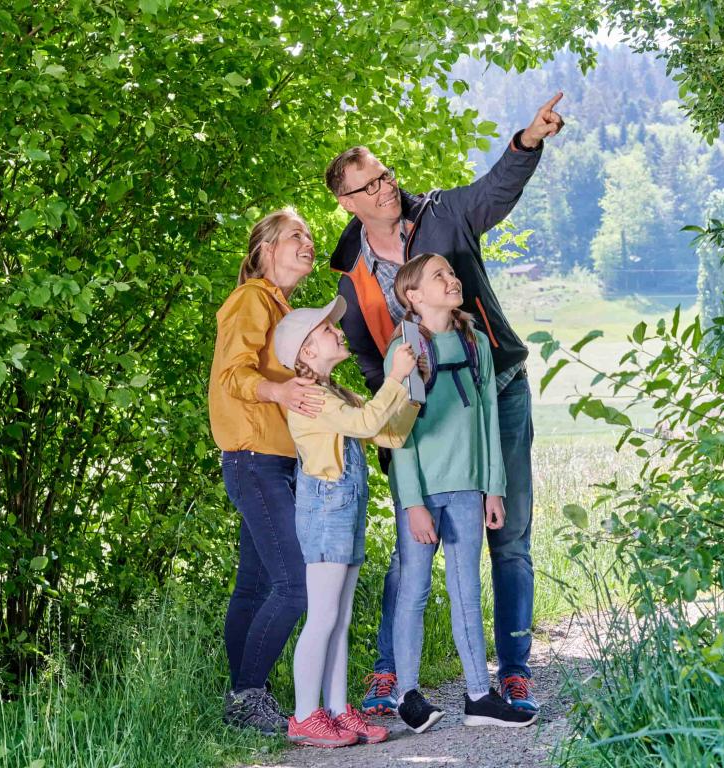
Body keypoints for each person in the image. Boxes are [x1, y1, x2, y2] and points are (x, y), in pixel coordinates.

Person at [324, 93, 566, 714]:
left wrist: (527, 141)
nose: (385, 187)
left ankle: (511, 671)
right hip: (417, 423)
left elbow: (494, 191)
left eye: (385, 174)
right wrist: (389, 427)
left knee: (509, 536)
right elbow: (372, 364)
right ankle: (389, 674)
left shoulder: (441, 214)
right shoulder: (351, 274)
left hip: (494, 393)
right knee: (415, 544)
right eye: (369, 184)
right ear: (347, 203)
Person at [385, 253, 537, 733]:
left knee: (467, 591)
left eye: (452, 273)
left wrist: (494, 488)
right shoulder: (405, 349)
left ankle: (478, 695)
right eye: (439, 276)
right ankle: (406, 694)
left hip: (470, 489)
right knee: (414, 589)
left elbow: (489, 419)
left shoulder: (476, 345)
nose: (452, 280)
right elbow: (398, 432)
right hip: (423, 493)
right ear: (413, 295)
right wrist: (411, 502)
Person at [272, 297, 421, 748]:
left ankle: (336, 710)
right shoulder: (311, 397)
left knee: (340, 615)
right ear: (306, 353)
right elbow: (365, 422)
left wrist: (411, 386)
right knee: (323, 614)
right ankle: (304, 716)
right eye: (325, 330)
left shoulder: (338, 392)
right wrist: (393, 377)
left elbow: (386, 431)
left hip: (345, 509)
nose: (337, 331)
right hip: (325, 512)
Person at [208, 208, 325, 734]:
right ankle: (247, 694)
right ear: (265, 251)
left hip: (274, 459)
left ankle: (245, 699)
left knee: (254, 588)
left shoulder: (283, 308)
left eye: (309, 236)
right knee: (294, 584)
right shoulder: (251, 299)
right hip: (253, 458)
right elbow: (233, 373)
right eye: (295, 236)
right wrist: (278, 390)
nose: (308, 242)